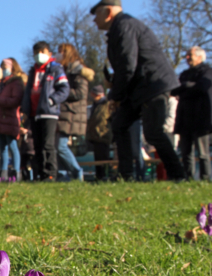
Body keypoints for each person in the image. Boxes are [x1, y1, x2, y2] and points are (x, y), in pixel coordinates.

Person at [91, 0, 185, 181]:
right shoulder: (121, 27)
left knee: (153, 132)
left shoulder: (124, 26)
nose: (94, 20)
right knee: (119, 124)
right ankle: (125, 175)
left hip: (153, 85)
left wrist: (115, 96)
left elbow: (128, 65)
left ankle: (177, 174)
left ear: (108, 12)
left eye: (96, 14)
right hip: (140, 87)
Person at [22, 42, 70, 181]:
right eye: (36, 52)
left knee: (47, 144)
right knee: (37, 145)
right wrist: (26, 108)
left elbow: (64, 89)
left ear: (49, 53)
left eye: (42, 52)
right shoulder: (33, 71)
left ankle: (50, 174)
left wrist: (51, 100)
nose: (39, 55)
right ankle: (40, 174)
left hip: (49, 112)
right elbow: (28, 91)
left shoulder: (56, 69)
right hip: (34, 113)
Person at [171, 46, 212, 181]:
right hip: (184, 118)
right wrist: (187, 86)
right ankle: (189, 178)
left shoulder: (207, 71)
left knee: (203, 152)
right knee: (186, 152)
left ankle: (205, 179)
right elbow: (174, 90)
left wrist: (185, 87)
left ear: (199, 57)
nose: (187, 58)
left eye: (190, 55)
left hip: (201, 118)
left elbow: (202, 87)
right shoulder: (184, 74)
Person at [56, 43, 94, 181]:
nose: (58, 54)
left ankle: (77, 171)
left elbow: (80, 93)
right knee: (57, 146)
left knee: (60, 146)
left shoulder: (79, 71)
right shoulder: (62, 71)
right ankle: (63, 175)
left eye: (61, 52)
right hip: (63, 113)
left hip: (71, 114)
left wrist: (61, 91)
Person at [0, 58, 25, 181]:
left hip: (9, 119)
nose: (3, 70)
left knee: (12, 146)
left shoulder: (16, 83)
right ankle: (3, 173)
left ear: (12, 67)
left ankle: (16, 172)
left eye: (5, 67)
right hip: (0, 119)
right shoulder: (1, 85)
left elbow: (16, 101)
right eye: (2, 67)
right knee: (2, 147)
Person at [86, 85, 113, 180]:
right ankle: (99, 176)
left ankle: (104, 176)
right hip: (95, 136)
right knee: (97, 158)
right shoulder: (94, 105)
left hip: (103, 135)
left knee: (103, 158)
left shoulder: (106, 104)